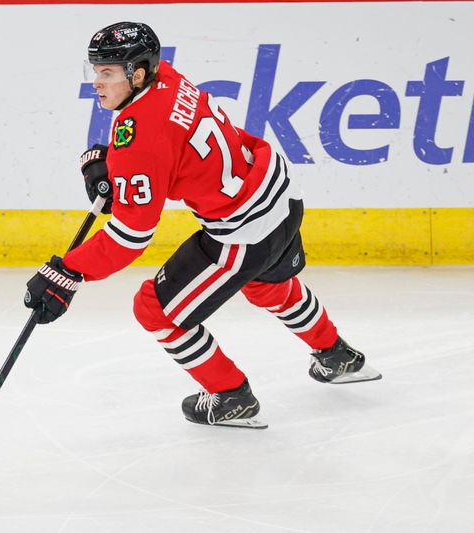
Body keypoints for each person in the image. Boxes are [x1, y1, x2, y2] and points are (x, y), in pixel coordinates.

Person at [24, 22, 380, 429]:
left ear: (137, 73)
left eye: (107, 72)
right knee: (267, 284)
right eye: (95, 71)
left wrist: (68, 271)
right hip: (281, 197)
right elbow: (170, 143)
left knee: (154, 309)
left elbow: (131, 235)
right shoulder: (169, 77)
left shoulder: (136, 142)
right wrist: (118, 173)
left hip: (245, 232)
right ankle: (337, 355)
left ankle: (231, 396)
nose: (97, 83)